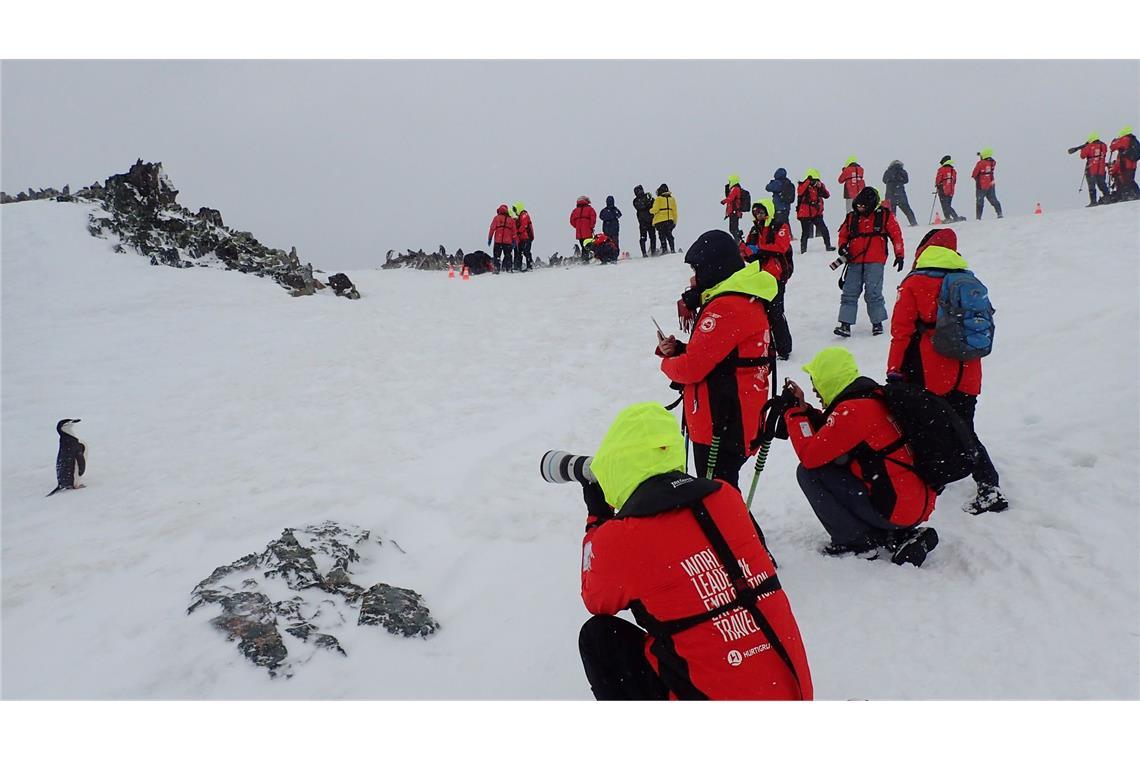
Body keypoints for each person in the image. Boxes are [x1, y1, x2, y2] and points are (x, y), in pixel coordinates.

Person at [577, 402, 813, 700]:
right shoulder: (725, 497)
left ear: (614, 468)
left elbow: (595, 598)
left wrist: (597, 518)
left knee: (599, 638)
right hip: (791, 693)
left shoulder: (620, 537)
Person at [887, 228, 1008, 515]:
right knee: (965, 426)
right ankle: (987, 483)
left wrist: (894, 370)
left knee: (928, 426)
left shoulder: (915, 283)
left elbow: (901, 332)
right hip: (968, 369)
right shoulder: (969, 280)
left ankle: (936, 479)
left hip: (932, 370)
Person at [782, 347, 940, 566]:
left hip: (895, 509)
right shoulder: (872, 398)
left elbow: (810, 456)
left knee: (809, 473)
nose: (816, 393)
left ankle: (857, 541)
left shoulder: (853, 412)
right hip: (913, 503)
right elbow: (832, 434)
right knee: (837, 464)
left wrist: (796, 414)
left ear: (827, 381)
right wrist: (806, 410)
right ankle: (895, 534)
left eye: (817, 386)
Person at [657, 230, 777, 490]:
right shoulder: (744, 297)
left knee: (717, 501)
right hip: (736, 418)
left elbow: (691, 369)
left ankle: (740, 533)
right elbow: (723, 354)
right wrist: (679, 349)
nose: (693, 277)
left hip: (721, 424)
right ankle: (736, 531)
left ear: (714, 268)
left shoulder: (727, 307)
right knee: (721, 497)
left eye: (698, 269)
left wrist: (667, 363)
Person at [833, 186, 904, 338]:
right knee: (849, 292)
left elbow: (896, 235)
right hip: (854, 260)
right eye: (858, 205)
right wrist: (842, 247)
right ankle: (845, 324)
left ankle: (877, 323)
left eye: (863, 206)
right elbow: (843, 235)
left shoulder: (884, 215)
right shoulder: (852, 217)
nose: (860, 208)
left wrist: (900, 255)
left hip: (876, 261)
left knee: (873, 293)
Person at [743, 199, 793, 360]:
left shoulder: (780, 226)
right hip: (759, 277)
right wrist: (745, 249)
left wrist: (759, 250)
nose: (759, 215)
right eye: (756, 212)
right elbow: (748, 254)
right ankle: (767, 347)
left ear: (768, 211)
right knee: (761, 313)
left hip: (776, 276)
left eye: (762, 212)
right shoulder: (754, 230)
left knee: (776, 313)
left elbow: (781, 247)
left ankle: (784, 349)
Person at [795, 169, 834, 254]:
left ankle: (828, 246)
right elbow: (800, 192)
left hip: (816, 214)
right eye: (813, 180)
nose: (814, 182)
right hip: (805, 214)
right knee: (805, 233)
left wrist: (821, 186)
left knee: (824, 229)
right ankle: (803, 250)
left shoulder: (818, 187)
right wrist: (808, 181)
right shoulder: (803, 185)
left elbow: (827, 195)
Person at [1066, 134, 1109, 207]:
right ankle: (1108, 197)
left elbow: (1082, 156)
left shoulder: (1089, 147)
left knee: (1091, 186)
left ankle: (1093, 201)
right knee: (1102, 184)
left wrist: (1083, 148)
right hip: (1101, 169)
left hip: (1091, 169)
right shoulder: (1103, 145)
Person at [882, 160, 918, 227]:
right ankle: (913, 223)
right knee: (907, 210)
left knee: (891, 213)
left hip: (890, 194)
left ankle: (891, 225)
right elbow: (906, 181)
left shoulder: (888, 171)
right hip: (900, 194)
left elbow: (884, 180)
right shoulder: (903, 171)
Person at [1108, 126, 1139, 202]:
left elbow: (1112, 147)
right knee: (1130, 180)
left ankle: (1127, 195)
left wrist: (1114, 141)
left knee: (1125, 181)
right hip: (1133, 164)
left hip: (1125, 164)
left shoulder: (1125, 139)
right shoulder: (1133, 140)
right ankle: (1136, 194)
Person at [971, 148, 1003, 220]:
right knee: (993, 199)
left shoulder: (980, 163)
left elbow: (974, 174)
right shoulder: (992, 163)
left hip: (981, 185)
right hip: (991, 183)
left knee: (980, 201)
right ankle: (999, 213)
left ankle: (978, 218)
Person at [487, 203, 518, 273]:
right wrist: (514, 241)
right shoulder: (511, 220)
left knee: (497, 256)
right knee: (508, 256)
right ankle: (509, 268)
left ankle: (496, 269)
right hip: (507, 242)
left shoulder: (496, 218)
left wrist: (490, 238)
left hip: (498, 241)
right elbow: (514, 232)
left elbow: (492, 228)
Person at [935, 155, 965, 222]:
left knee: (945, 205)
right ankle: (950, 218)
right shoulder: (953, 171)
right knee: (948, 205)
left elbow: (938, 179)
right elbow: (954, 181)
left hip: (943, 189)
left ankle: (951, 218)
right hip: (951, 190)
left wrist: (937, 185)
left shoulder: (941, 170)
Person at [651, 183, 678, 254]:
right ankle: (672, 249)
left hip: (660, 221)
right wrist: (675, 221)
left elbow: (655, 209)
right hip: (669, 220)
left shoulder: (658, 199)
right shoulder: (672, 199)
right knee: (669, 235)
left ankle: (664, 249)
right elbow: (675, 211)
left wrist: (650, 210)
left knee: (662, 236)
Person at [633, 185, 657, 256]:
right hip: (649, 220)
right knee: (652, 237)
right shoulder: (646, 197)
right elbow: (653, 204)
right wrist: (649, 202)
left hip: (643, 221)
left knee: (644, 237)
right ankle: (652, 252)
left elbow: (639, 207)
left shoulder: (636, 200)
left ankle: (645, 253)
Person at [721, 174, 744, 241]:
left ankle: (738, 241)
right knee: (734, 228)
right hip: (734, 212)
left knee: (733, 229)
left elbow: (730, 198)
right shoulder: (735, 188)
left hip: (734, 212)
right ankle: (738, 239)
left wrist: (723, 201)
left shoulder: (735, 189)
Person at [513, 202, 535, 271]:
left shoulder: (524, 215)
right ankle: (518, 267)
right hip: (522, 239)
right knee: (520, 252)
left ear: (519, 208)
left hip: (527, 238)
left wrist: (517, 232)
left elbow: (524, 226)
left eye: (516, 209)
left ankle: (530, 266)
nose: (515, 212)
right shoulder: (519, 217)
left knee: (526, 251)